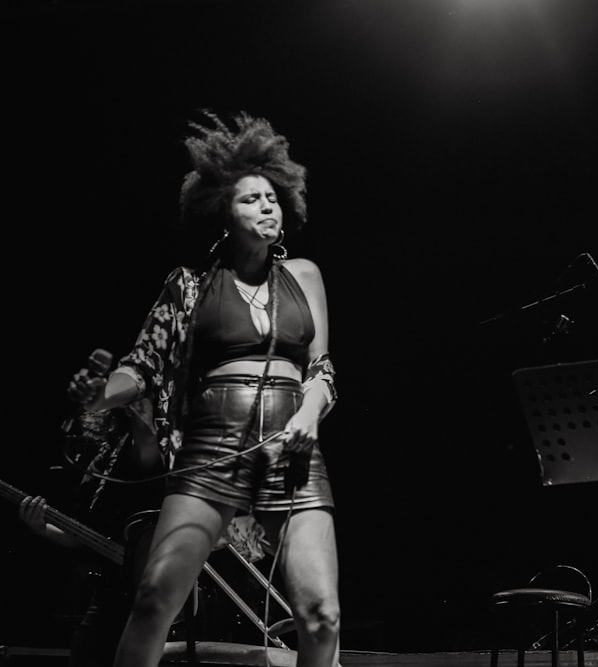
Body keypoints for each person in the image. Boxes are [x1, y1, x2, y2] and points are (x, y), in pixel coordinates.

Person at [68, 111, 341, 667]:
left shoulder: (305, 276)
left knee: (321, 615)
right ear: (223, 211)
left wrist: (310, 414)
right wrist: (97, 396)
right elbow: (140, 367)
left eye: (272, 197)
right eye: (251, 200)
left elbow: (323, 370)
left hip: (292, 449)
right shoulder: (189, 285)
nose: (267, 206)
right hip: (212, 447)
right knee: (152, 600)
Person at [18, 401, 164, 667]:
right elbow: (80, 536)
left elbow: (148, 451)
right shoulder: (105, 458)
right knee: (87, 652)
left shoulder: (156, 450)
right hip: (110, 591)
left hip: (151, 587)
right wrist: (40, 528)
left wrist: (143, 420)